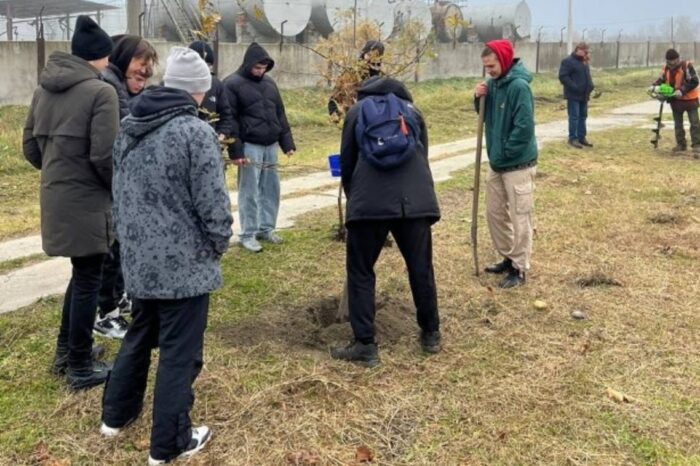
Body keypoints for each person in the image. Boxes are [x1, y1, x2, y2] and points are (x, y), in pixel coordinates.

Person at [100, 47, 233, 465]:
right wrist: (219, 243)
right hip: (185, 267)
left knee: (140, 333)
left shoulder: (129, 126)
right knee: (180, 352)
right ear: (199, 90)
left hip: (140, 262)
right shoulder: (196, 133)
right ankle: (169, 444)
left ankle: (115, 417)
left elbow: (119, 193)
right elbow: (214, 205)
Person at [22, 15, 119, 390]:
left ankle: (67, 352)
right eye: (107, 56)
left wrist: (59, 174)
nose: (109, 62)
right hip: (89, 200)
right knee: (89, 278)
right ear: (99, 56)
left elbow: (30, 148)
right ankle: (79, 366)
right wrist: (116, 190)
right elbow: (105, 156)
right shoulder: (101, 93)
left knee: (82, 276)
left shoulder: (43, 90)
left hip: (57, 197)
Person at [330, 76, 442, 368]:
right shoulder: (413, 111)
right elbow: (423, 155)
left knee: (361, 271)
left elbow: (347, 160)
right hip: (415, 203)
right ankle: (431, 334)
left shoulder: (356, 112)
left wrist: (355, 198)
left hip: (370, 202)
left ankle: (365, 345)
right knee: (420, 267)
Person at [95, 34, 158, 339]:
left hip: (121, 183)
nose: (145, 71)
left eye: (148, 66)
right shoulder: (109, 87)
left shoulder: (122, 87)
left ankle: (118, 299)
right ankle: (105, 313)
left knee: (120, 248)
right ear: (122, 58)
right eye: (140, 63)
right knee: (110, 252)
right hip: (110, 183)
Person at [474, 40, 537, 289]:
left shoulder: (519, 87)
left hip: (518, 165)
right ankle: (508, 257)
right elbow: (484, 115)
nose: (488, 71)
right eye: (486, 67)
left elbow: (524, 127)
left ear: (503, 59)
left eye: (492, 66)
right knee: (495, 213)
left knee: (521, 217)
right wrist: (478, 98)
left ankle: (519, 268)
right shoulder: (492, 84)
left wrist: (506, 151)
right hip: (497, 164)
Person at [223, 42, 296, 253]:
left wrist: (287, 143)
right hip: (249, 146)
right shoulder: (231, 84)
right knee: (249, 191)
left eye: (264, 68)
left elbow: (279, 113)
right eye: (257, 67)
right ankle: (248, 234)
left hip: (271, 144)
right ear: (248, 64)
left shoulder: (270, 83)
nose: (260, 71)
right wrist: (236, 151)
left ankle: (267, 228)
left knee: (271, 189)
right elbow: (230, 120)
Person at [650, 48, 700, 156]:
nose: (672, 64)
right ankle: (681, 144)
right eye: (669, 62)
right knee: (678, 124)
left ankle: (697, 145)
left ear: (678, 59)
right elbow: (661, 80)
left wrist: (682, 90)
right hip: (675, 100)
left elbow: (694, 81)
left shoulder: (686, 66)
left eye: (674, 61)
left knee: (694, 123)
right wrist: (653, 87)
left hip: (690, 100)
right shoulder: (666, 69)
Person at [188, 40, 235, 140]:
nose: (205, 68)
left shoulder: (216, 84)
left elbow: (226, 114)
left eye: (209, 65)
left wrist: (222, 134)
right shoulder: (174, 84)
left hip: (211, 140)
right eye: (202, 64)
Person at [328, 40, 385, 119]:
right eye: (369, 55)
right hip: (352, 115)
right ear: (364, 53)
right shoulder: (352, 72)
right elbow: (336, 94)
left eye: (375, 57)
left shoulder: (382, 77)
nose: (371, 59)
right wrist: (335, 113)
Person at [559, 42, 595, 149]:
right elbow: (563, 77)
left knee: (583, 116)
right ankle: (573, 139)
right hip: (573, 94)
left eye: (586, 51)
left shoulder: (584, 62)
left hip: (584, 94)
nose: (585, 53)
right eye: (584, 50)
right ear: (578, 49)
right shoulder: (568, 61)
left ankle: (581, 137)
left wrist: (591, 85)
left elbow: (587, 76)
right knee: (574, 117)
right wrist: (574, 87)